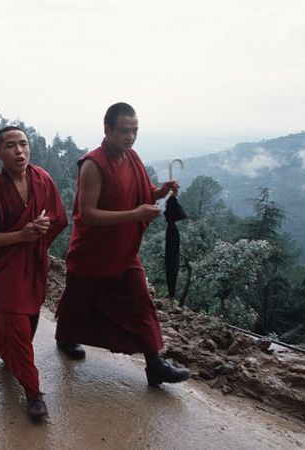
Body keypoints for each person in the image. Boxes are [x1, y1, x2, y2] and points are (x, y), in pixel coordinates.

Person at [54, 102, 191, 386]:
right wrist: (135, 214)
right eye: (124, 131)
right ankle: (66, 337)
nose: (130, 137)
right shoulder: (93, 165)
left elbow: (139, 194)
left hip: (124, 249)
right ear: (107, 130)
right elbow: (87, 214)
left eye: (135, 131)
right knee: (78, 303)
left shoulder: (132, 158)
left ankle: (155, 364)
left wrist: (160, 192)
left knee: (141, 303)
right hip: (92, 251)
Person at [0, 126, 68, 421]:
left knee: (26, 323)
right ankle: (32, 391)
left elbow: (58, 218)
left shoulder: (43, 179)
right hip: (2, 271)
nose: (19, 151)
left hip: (33, 263)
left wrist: (38, 236)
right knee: (17, 323)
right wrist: (21, 236)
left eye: (24, 144)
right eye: (11, 146)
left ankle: (3, 347)